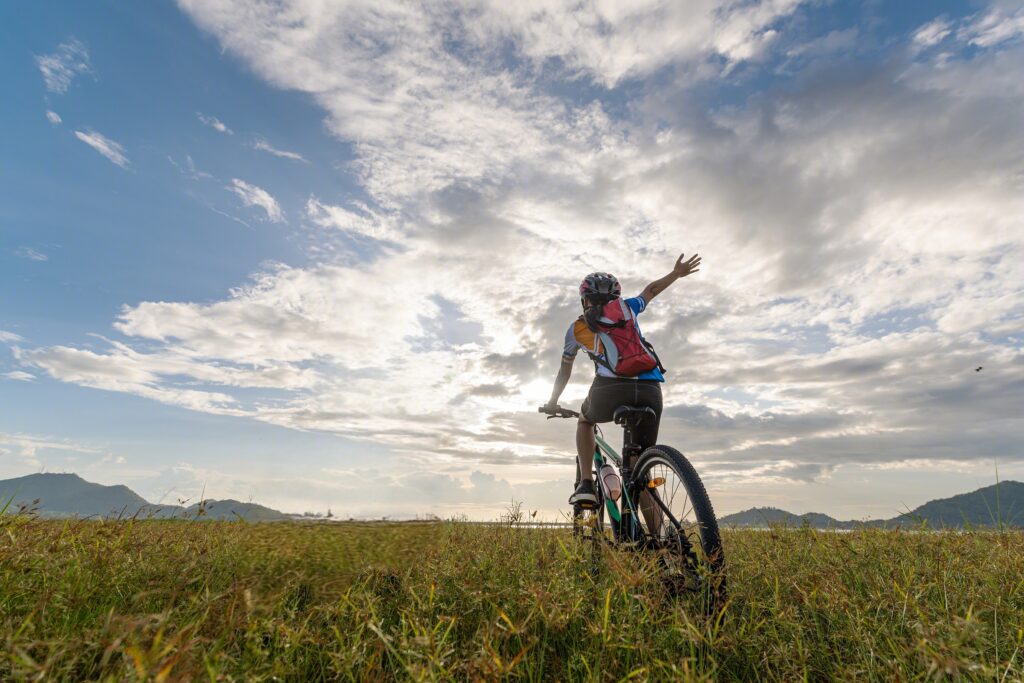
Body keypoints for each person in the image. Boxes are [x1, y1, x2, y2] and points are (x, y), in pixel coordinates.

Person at [544, 253, 701, 507]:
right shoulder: (629, 308)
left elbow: (564, 371)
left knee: (585, 421)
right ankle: (658, 532)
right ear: (616, 297)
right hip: (650, 390)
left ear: (584, 301)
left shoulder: (577, 329)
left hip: (610, 390)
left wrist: (553, 401)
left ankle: (586, 484)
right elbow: (651, 290)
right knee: (640, 472)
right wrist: (676, 273)